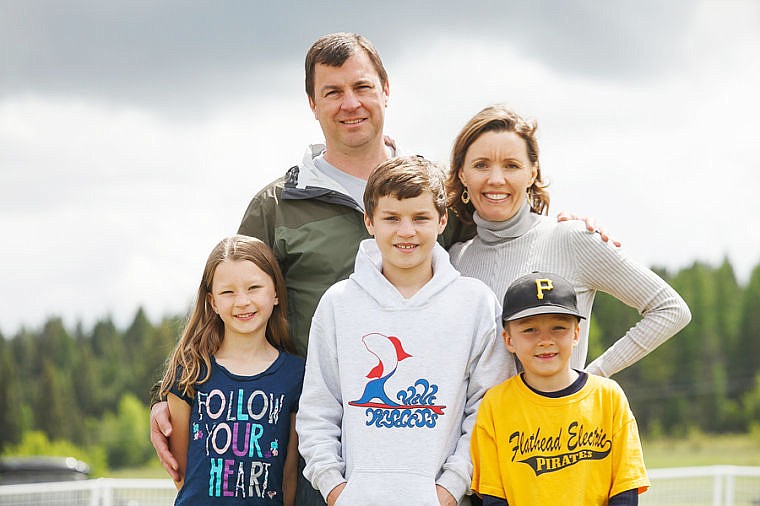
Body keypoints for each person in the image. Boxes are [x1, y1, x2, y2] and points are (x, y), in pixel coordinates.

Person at [296, 156, 513, 505]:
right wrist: (336, 489)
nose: (406, 231)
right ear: (369, 221)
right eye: (392, 218)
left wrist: (450, 488)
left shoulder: (475, 303)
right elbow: (318, 409)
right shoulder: (339, 303)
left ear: (442, 220)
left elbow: (489, 410)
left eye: (421, 217)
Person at [446, 105, 691, 378]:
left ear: (532, 173)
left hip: (558, 421)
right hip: (475, 422)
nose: (496, 179)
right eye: (481, 165)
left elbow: (670, 309)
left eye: (511, 165)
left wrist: (587, 382)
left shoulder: (571, 238)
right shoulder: (454, 259)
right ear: (462, 174)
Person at [470, 271, 650, 505]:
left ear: (576, 334)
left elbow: (625, 491)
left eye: (558, 328)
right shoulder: (496, 404)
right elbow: (493, 497)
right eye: (529, 330)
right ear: (508, 339)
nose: (545, 340)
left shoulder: (608, 397)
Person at [161, 235, 304, 505]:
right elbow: (180, 471)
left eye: (253, 288)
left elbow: (288, 475)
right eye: (228, 292)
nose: (242, 301)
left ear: (275, 293)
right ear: (213, 301)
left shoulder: (296, 375)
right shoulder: (192, 369)